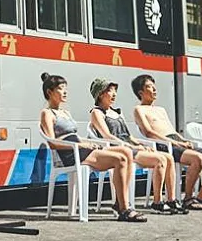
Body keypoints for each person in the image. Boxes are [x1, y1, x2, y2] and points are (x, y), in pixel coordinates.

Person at [39, 72, 147, 222]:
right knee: (120, 159)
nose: (65, 92)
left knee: (126, 152)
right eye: (60, 88)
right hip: (70, 153)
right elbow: (52, 143)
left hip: (81, 148)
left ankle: (120, 201)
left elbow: (75, 135)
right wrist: (81, 144)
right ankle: (124, 208)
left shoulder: (65, 112)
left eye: (65, 88)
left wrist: (87, 143)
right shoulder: (47, 114)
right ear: (49, 92)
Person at [89, 78, 188, 215]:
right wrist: (132, 147)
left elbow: (128, 136)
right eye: (110, 91)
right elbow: (107, 136)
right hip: (118, 149)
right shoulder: (97, 113)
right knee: (160, 160)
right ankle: (157, 202)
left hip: (129, 147)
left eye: (115, 90)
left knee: (169, 158)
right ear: (100, 94)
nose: (114, 94)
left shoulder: (117, 112)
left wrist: (140, 144)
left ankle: (171, 200)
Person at [131, 74, 202, 211]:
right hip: (163, 144)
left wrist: (183, 140)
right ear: (141, 92)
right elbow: (148, 132)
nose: (154, 89)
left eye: (154, 86)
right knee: (198, 159)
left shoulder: (161, 110)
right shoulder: (139, 110)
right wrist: (175, 143)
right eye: (149, 87)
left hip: (176, 141)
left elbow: (172, 130)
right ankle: (188, 198)